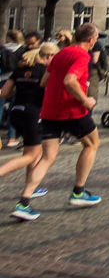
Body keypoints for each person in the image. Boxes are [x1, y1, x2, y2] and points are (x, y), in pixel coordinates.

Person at [14, 23, 104, 219]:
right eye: (96, 38)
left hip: (49, 110)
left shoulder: (61, 53)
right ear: (90, 39)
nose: (96, 42)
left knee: (47, 157)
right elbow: (70, 81)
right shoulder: (82, 55)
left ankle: (23, 203)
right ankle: (78, 192)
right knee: (92, 144)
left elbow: (44, 82)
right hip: (71, 110)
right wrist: (85, 98)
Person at [1, 43, 56, 214]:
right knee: (32, 155)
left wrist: (21, 89)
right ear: (48, 56)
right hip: (34, 114)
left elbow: (4, 93)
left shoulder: (20, 70)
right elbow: (49, 94)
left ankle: (31, 186)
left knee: (32, 153)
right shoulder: (45, 72)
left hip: (16, 112)